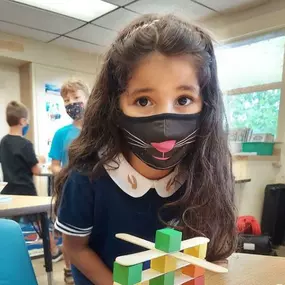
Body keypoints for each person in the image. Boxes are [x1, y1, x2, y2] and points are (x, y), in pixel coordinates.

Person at [53, 14, 237, 285]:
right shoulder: (87, 179)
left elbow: (211, 254)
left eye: (183, 99)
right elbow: (75, 248)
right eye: (143, 100)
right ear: (115, 105)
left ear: (205, 105)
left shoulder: (204, 174)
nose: (165, 124)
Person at [0, 101, 62, 262]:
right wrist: (39, 160)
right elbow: (36, 170)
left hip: (8, 192)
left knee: (9, 226)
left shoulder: (3, 142)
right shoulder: (25, 144)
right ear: (22, 121)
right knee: (42, 220)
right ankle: (54, 250)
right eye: (26, 121)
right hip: (26, 191)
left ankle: (8, 254)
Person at [49, 79, 89, 284]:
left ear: (88, 99)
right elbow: (54, 164)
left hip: (95, 192)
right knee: (69, 234)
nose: (71, 103)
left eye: (75, 98)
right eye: (66, 100)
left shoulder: (98, 131)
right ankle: (68, 268)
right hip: (68, 191)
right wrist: (64, 173)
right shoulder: (61, 134)